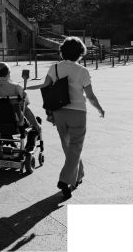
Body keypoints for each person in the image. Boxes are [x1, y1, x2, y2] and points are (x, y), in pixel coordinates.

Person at [42, 37, 105, 199]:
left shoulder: (54, 68)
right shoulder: (82, 71)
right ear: (80, 54)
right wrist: (99, 108)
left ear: (62, 52)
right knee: (75, 146)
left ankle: (79, 174)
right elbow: (90, 96)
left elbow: (45, 87)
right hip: (77, 113)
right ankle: (65, 180)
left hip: (59, 112)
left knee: (68, 145)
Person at [0, 63, 41, 151]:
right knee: (37, 121)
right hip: (16, 125)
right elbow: (26, 110)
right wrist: (37, 126)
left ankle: (6, 139)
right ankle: (30, 144)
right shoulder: (16, 88)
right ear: (8, 73)